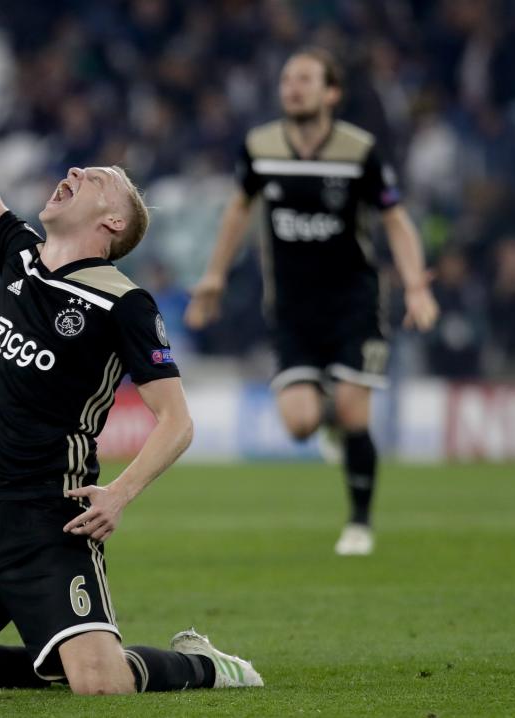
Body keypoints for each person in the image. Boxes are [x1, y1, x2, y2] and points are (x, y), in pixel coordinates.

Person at [0, 11, 263, 695]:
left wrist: (119, 494)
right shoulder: (20, 256)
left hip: (50, 515)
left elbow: (177, 422)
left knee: (104, 688)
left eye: (94, 179)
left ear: (111, 223)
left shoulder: (125, 304)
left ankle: (207, 666)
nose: (74, 171)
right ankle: (50, 665)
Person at [184, 48, 439, 556]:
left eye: (304, 79)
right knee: (300, 423)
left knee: (353, 407)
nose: (292, 88)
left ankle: (360, 523)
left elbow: (395, 218)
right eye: (286, 80)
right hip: (292, 309)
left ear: (331, 93)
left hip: (354, 302)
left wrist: (415, 284)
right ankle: (332, 423)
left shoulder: (359, 150)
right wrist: (213, 276)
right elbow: (239, 210)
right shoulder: (260, 147)